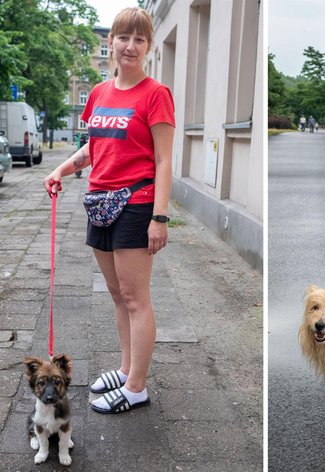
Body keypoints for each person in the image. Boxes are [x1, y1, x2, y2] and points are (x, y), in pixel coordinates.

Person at [44, 6, 175, 413]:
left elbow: (165, 160)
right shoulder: (100, 94)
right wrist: (63, 168)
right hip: (99, 201)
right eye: (123, 38)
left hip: (136, 205)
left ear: (148, 47)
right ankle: (124, 368)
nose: (130, 46)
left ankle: (136, 387)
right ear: (112, 43)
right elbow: (95, 146)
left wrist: (159, 217)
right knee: (117, 296)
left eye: (139, 39)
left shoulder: (156, 94)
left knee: (136, 298)